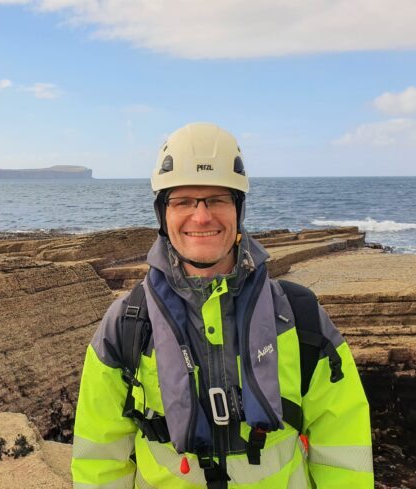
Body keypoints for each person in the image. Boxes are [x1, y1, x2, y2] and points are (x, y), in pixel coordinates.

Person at [71, 123, 373, 488]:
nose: (201, 217)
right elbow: (99, 461)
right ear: (162, 215)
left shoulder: (299, 316)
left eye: (216, 199)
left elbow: (344, 452)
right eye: (183, 201)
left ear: (238, 209)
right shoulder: (126, 326)